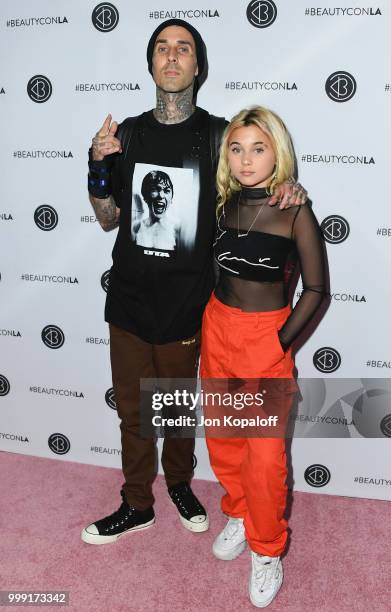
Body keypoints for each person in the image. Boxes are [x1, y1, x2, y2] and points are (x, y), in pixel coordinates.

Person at [82, 19, 307, 546]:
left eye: (183, 48)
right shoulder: (128, 134)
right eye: (162, 47)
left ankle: (181, 486)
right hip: (130, 301)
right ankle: (136, 503)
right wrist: (96, 166)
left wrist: (290, 187)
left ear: (198, 65)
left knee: (178, 406)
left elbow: (257, 174)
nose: (172, 56)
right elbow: (109, 217)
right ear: (151, 63)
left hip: (191, 304)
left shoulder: (217, 134)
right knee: (135, 412)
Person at [200, 106, 328, 607]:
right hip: (218, 330)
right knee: (225, 439)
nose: (245, 159)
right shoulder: (223, 203)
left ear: (277, 152)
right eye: (236, 148)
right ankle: (237, 511)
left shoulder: (293, 209)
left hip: (264, 340)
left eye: (258, 148)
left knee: (266, 457)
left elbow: (316, 289)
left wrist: (277, 344)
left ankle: (267, 549)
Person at [133, 170, 180, 250]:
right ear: (145, 197)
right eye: (155, 190)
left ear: (171, 198)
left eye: (166, 191)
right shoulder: (136, 228)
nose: (161, 196)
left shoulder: (177, 230)